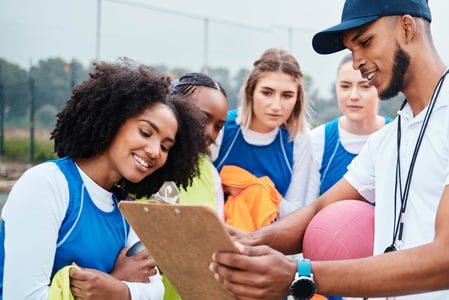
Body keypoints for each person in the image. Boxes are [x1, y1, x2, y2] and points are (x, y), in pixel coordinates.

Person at [209, 1, 449, 299]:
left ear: (407, 28)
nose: (358, 62)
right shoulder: (388, 138)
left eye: (364, 42)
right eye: (351, 50)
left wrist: (300, 273)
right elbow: (318, 210)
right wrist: (247, 241)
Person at [0, 59, 206, 299]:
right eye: (145, 132)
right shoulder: (47, 184)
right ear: (114, 120)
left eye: (166, 146)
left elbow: (155, 290)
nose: (154, 151)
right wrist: (118, 282)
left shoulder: (125, 210)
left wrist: (116, 289)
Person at [213, 47, 312, 219]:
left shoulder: (298, 139)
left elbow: (295, 214)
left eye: (287, 96)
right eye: (267, 93)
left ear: (297, 100)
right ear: (251, 91)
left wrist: (258, 187)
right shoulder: (222, 128)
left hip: (269, 240)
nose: (276, 105)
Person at [306, 52, 390, 204]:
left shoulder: (400, 136)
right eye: (345, 86)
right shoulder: (317, 141)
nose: (354, 96)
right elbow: (307, 210)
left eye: (364, 86)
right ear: (336, 89)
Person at [169, 72, 229, 219]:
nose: (209, 132)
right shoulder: (146, 158)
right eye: (202, 118)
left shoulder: (210, 175)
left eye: (218, 127)